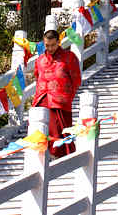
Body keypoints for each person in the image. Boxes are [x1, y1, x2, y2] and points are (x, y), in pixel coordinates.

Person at [33, 30, 81, 158]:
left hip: (61, 101)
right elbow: (37, 76)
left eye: (53, 45)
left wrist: (67, 96)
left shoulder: (69, 57)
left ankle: (61, 157)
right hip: (42, 99)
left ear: (58, 42)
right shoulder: (40, 60)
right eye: (47, 45)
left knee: (61, 131)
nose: (49, 48)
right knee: (40, 129)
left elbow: (76, 79)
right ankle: (43, 156)